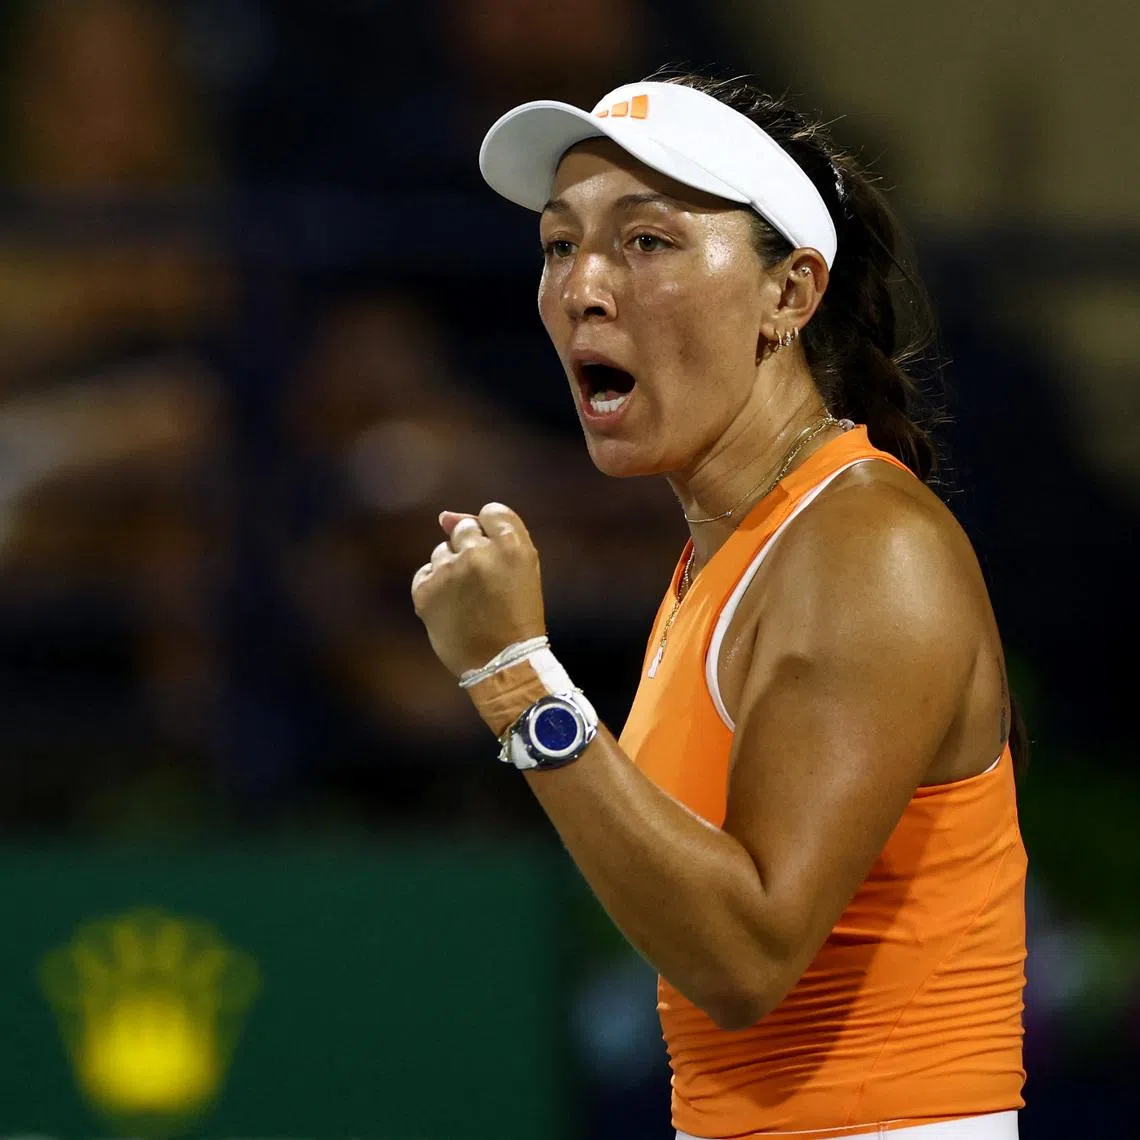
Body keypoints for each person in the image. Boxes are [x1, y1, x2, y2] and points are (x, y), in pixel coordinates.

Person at [411, 72, 1027, 1139]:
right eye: (561, 245)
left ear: (789, 296)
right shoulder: (725, 556)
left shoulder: (868, 547)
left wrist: (515, 675)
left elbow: (744, 957)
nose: (584, 288)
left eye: (645, 243)